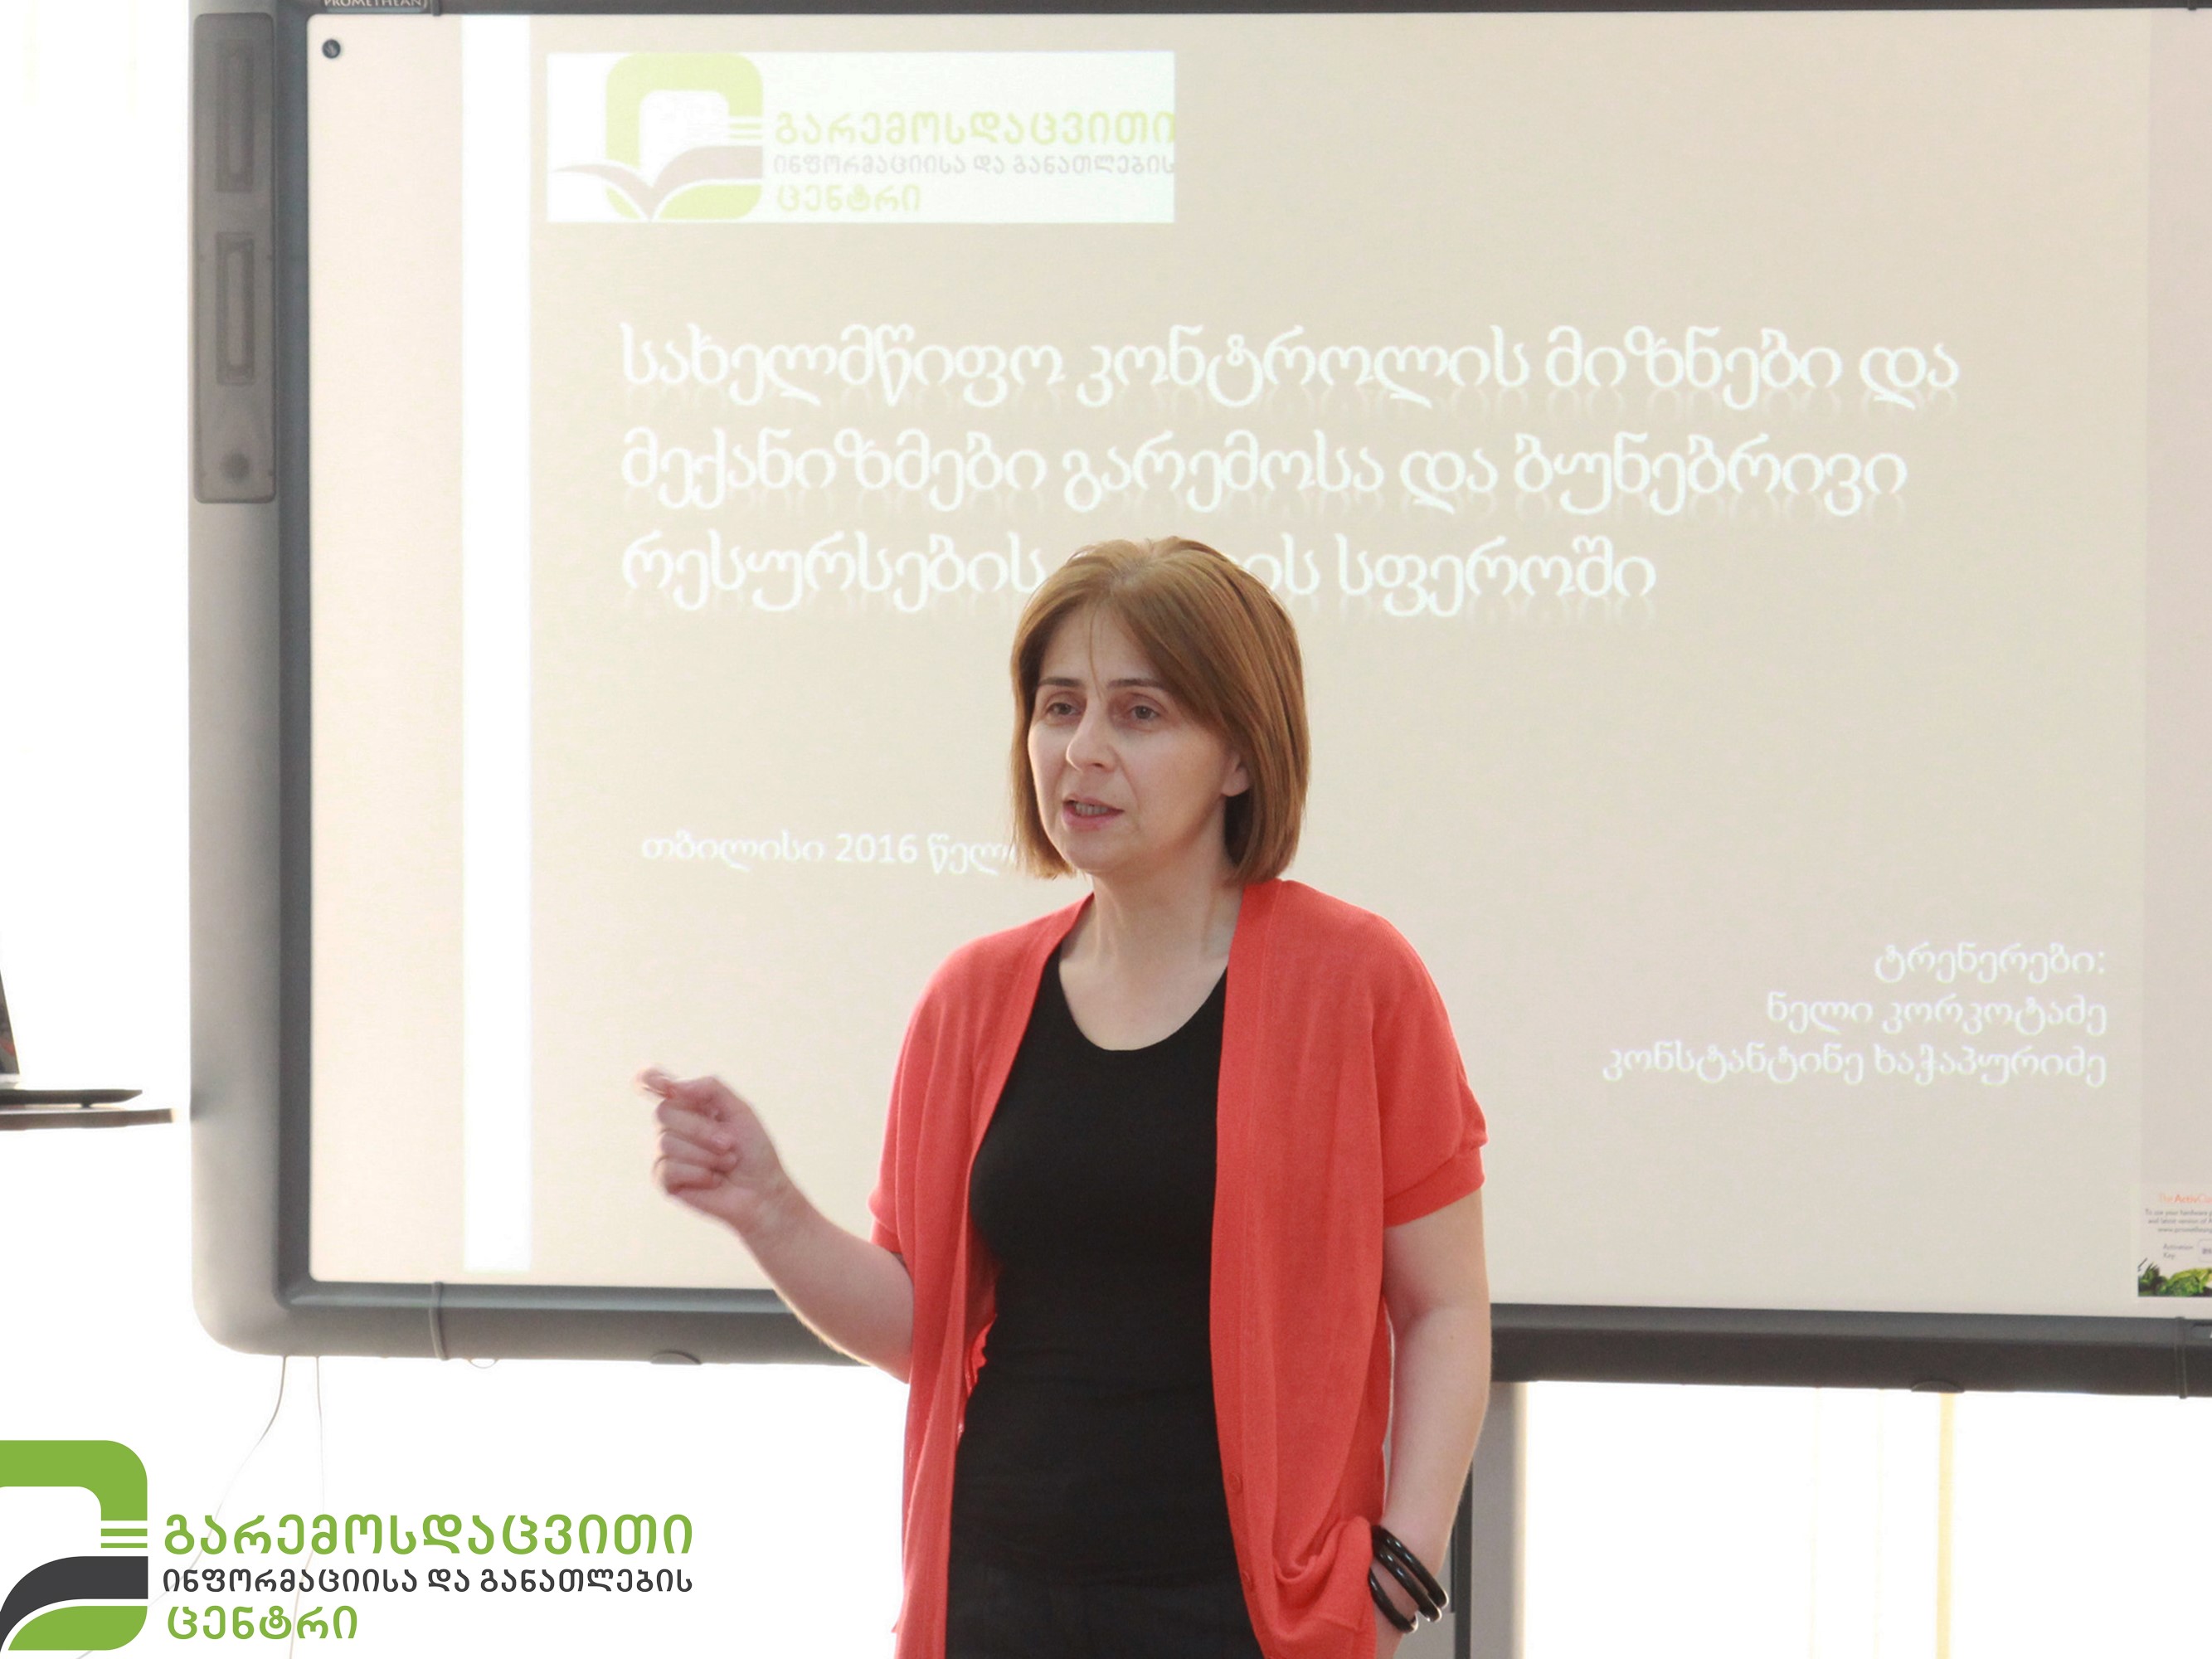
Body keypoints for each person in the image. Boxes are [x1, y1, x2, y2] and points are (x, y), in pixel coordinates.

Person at [644, 537, 1492, 1659]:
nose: (1082, 751)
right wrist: (772, 1210)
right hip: (999, 1588)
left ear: (1241, 757)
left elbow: (1442, 1309)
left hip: (1250, 1612)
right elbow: (923, 1330)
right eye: (1059, 707)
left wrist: (1399, 1571)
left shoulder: (1356, 980)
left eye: (1140, 713)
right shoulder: (973, 997)